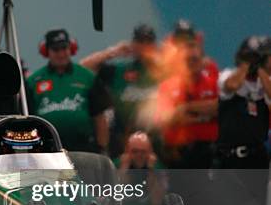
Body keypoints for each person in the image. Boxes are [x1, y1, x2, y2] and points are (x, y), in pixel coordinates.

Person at [26, 29, 111, 153]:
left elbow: (100, 117)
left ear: (71, 49)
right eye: (56, 50)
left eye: (64, 48)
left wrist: (102, 149)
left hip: (84, 150)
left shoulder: (87, 77)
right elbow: (27, 120)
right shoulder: (33, 82)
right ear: (46, 51)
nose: (61, 54)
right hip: (46, 151)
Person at [81, 23, 158, 159]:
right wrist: (113, 52)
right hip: (122, 140)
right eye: (140, 41)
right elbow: (82, 68)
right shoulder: (120, 70)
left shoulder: (165, 70)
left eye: (148, 41)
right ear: (133, 44)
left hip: (156, 142)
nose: (144, 46)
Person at [155, 21, 218, 169]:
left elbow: (218, 104)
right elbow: (163, 116)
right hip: (177, 147)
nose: (185, 46)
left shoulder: (209, 67)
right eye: (180, 40)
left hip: (207, 146)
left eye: (189, 41)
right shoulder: (165, 69)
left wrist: (187, 108)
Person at [217, 35, 271, 169]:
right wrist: (246, 65)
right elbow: (232, 85)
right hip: (230, 158)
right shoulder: (228, 75)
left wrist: (260, 69)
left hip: (257, 158)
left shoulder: (265, 83)